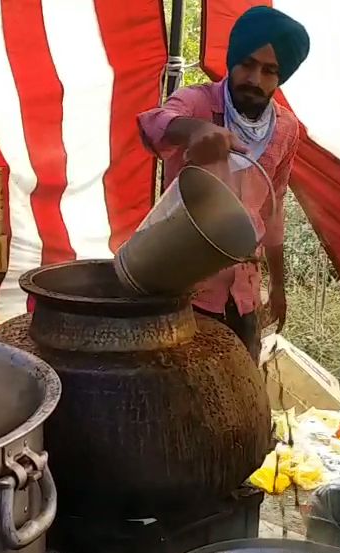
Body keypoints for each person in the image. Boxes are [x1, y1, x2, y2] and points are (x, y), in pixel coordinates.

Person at [137, 6, 310, 360]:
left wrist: (277, 286)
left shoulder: (286, 129)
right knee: (180, 396)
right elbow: (156, 123)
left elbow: (273, 212)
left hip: (243, 296)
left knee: (239, 397)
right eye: (247, 64)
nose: (255, 79)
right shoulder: (198, 104)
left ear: (281, 77)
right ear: (231, 60)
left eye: (269, 71)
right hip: (182, 291)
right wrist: (196, 130)